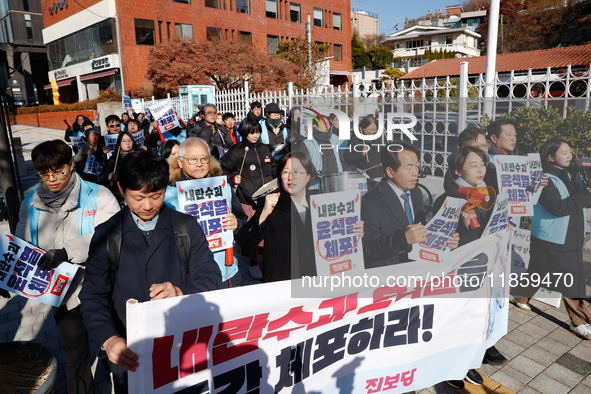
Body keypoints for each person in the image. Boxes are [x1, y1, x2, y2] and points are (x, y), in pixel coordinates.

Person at [80, 150, 221, 393]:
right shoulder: (107, 235)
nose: (147, 206)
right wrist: (109, 339)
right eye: (138, 197)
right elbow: (92, 296)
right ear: (122, 189)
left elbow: (211, 278)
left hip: (183, 347)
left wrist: (179, 291)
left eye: (156, 196)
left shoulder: (186, 226)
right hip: (130, 351)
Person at [16, 140, 120, 394]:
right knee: (75, 356)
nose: (51, 179)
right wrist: (10, 274)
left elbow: (111, 236)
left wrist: (66, 252)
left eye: (58, 171)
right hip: (62, 295)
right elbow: (22, 246)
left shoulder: (98, 195)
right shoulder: (30, 202)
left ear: (71, 165)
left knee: (114, 350)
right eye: (44, 173)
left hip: (102, 289)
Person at [236, 151, 364, 282]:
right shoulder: (271, 205)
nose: (291, 177)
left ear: (308, 176)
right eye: (285, 172)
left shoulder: (323, 203)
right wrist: (264, 214)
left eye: (297, 172)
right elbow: (244, 242)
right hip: (284, 282)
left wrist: (355, 229)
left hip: (319, 280)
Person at [512, 139, 591, 338]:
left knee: (538, 271)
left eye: (570, 152)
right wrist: (586, 193)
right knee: (571, 278)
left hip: (565, 237)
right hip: (554, 239)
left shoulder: (571, 175)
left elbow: (579, 202)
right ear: (550, 157)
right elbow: (558, 208)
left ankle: (520, 297)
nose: (570, 156)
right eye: (564, 152)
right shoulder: (543, 179)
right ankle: (579, 321)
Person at [362, 141, 459, 268]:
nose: (415, 173)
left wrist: (443, 239)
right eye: (408, 168)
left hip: (419, 269)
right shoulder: (371, 201)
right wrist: (403, 239)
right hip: (389, 276)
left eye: (416, 166)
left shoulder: (416, 193)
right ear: (390, 172)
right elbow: (368, 248)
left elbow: (421, 231)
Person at [168, 137, 247, 287]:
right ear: (180, 161)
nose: (199, 163)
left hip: (227, 272)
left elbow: (242, 221)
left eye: (204, 158)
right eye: (192, 159)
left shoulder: (224, 189)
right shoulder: (169, 195)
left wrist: (237, 224)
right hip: (189, 276)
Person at [221, 117, 274, 212]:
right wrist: (232, 178)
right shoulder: (237, 150)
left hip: (268, 198)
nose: (255, 136)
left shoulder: (265, 149)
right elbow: (221, 168)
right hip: (248, 201)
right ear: (245, 133)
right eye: (252, 133)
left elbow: (273, 168)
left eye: (258, 132)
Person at [298, 115, 347, 191]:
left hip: (335, 185)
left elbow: (341, 162)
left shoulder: (334, 140)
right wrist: (314, 173)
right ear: (315, 126)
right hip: (316, 187)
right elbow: (302, 165)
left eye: (328, 123)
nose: (326, 126)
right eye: (323, 123)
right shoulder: (307, 143)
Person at [98, 131, 141, 203]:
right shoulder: (114, 159)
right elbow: (101, 177)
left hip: (138, 194)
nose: (127, 143)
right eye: (124, 141)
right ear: (119, 143)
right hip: (120, 197)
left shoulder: (140, 156)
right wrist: (109, 176)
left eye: (129, 140)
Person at [343, 115, 385, 179]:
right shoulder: (356, 140)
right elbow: (347, 158)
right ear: (363, 127)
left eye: (375, 130)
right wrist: (361, 154)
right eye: (370, 129)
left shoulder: (377, 140)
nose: (372, 132)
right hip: (363, 178)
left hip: (378, 177)